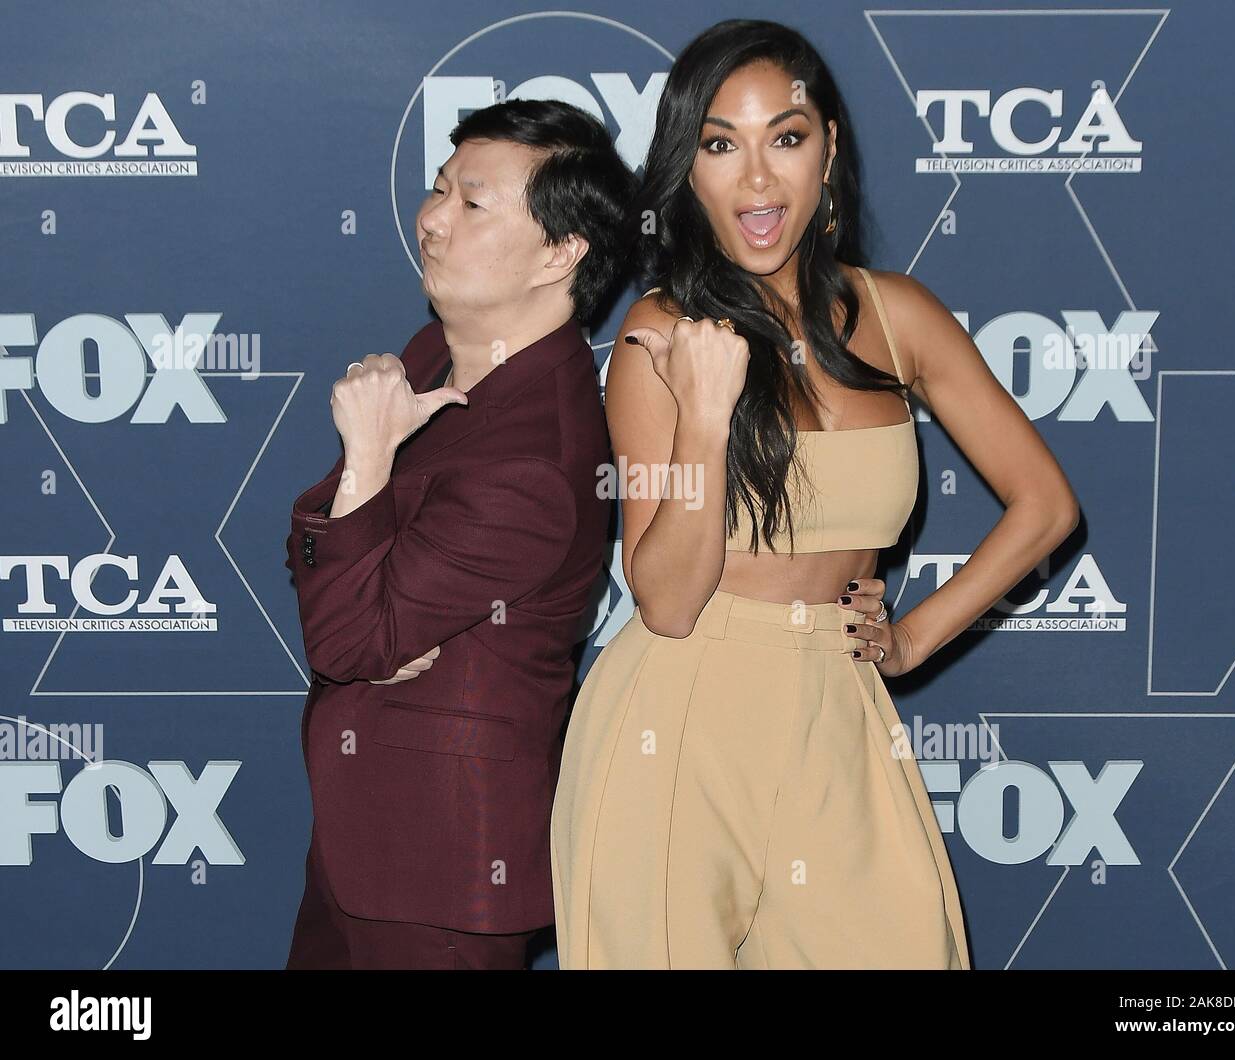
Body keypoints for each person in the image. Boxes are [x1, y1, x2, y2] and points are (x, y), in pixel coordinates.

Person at [550, 20, 1079, 969]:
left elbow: (1044, 503)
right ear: (688, 169)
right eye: (720, 145)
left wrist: (912, 638)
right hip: (678, 719)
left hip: (838, 707)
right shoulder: (659, 335)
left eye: (785, 138)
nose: (757, 181)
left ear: (828, 149)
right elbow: (665, 601)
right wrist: (707, 415)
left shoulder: (898, 314)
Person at [283, 99, 634, 969]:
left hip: (442, 868)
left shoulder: (538, 457)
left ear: (561, 251)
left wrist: (367, 456)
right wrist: (363, 588)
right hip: (362, 837)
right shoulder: (434, 355)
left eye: (472, 204)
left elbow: (344, 632)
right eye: (439, 190)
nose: (432, 220)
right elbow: (312, 551)